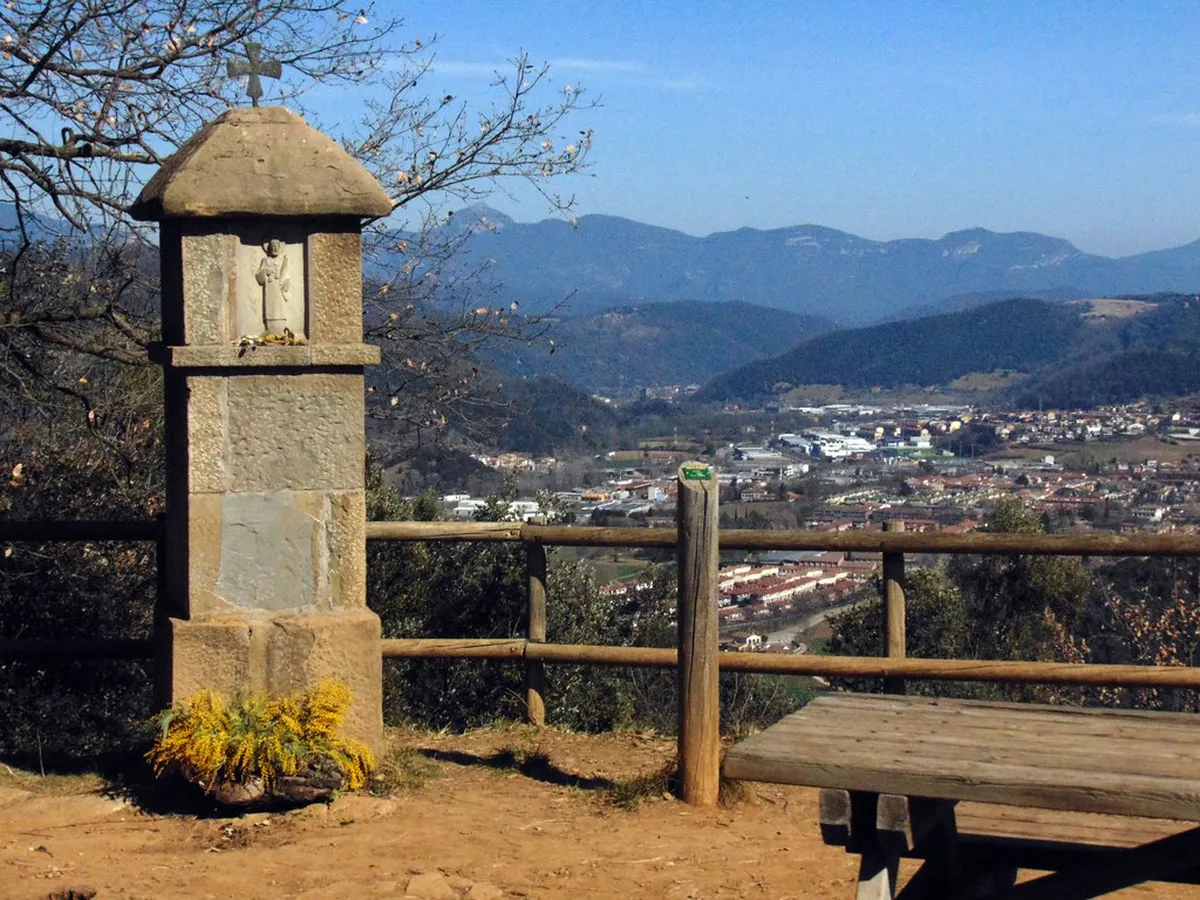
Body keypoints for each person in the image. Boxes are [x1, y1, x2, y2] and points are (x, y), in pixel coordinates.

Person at [256, 239, 291, 333]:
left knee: (280, 307)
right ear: (269, 248)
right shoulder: (265, 260)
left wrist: (286, 283)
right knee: (271, 307)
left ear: (280, 247)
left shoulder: (283, 259)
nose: (275, 249)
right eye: (273, 247)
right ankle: (270, 329)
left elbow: (287, 274)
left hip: (280, 287)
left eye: (276, 247)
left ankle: (281, 328)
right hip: (270, 287)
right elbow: (259, 276)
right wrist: (265, 272)